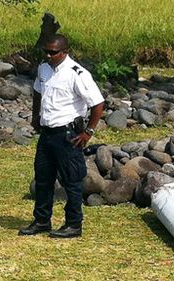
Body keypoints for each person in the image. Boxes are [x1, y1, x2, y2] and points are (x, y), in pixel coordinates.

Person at [19, 34, 104, 238]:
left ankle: (74, 223)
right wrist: (35, 115)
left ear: (65, 52)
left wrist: (88, 132)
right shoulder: (44, 68)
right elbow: (38, 91)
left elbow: (97, 103)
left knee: (71, 180)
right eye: (46, 51)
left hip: (67, 134)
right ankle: (42, 220)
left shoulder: (77, 73)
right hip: (47, 134)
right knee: (43, 178)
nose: (48, 55)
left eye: (53, 52)